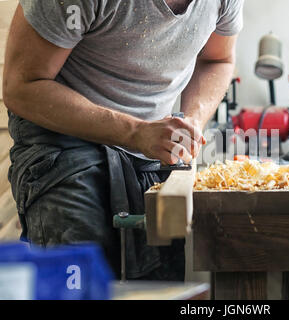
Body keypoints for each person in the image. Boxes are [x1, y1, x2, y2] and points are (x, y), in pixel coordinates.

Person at [2, 0, 243, 280]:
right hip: (65, 135)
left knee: (157, 281)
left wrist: (191, 123)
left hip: (150, 141)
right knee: (82, 275)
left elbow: (218, 59)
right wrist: (133, 132)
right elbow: (21, 86)